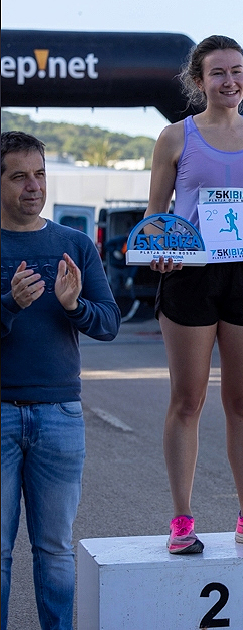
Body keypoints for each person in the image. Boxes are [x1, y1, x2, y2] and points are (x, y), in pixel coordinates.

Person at [145, 35, 243, 554]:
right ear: (198, 81)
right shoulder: (175, 137)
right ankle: (182, 520)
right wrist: (156, 248)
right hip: (190, 276)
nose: (229, 82)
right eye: (217, 73)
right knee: (188, 401)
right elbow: (155, 216)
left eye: (237, 71)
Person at [1, 131, 120, 630]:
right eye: (19, 176)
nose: (34, 186)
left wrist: (73, 306)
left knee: (55, 550)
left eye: (40, 173)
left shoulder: (73, 244)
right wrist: (10, 305)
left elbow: (109, 323)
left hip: (60, 415)